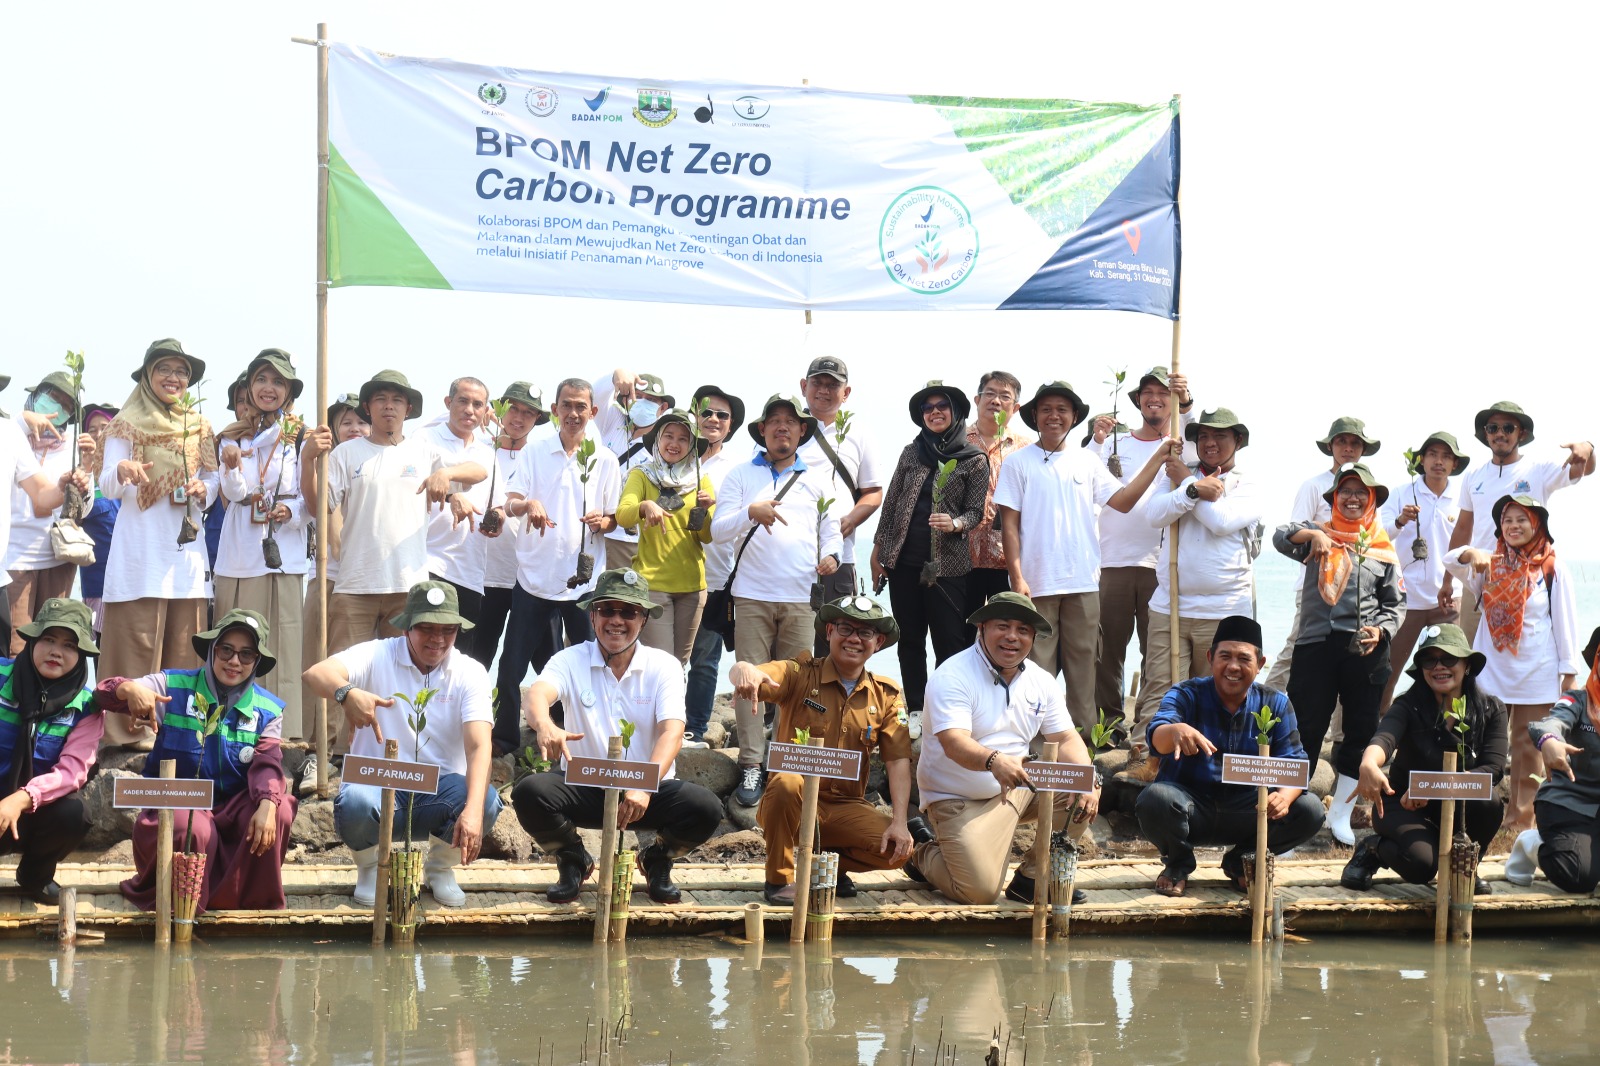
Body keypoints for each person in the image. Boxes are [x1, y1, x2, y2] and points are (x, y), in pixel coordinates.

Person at [511, 568, 722, 904]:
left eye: (629, 612)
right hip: (586, 784)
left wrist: (644, 784)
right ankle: (573, 857)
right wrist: (546, 725)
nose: (617, 620)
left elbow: (673, 731)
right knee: (530, 793)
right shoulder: (569, 659)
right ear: (593, 616)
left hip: (647, 792)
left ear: (644, 620)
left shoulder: (664, 665)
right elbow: (536, 696)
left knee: (706, 808)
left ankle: (658, 858)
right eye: (607, 610)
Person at [305, 581, 500, 908]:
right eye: (426, 628)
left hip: (439, 790)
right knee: (353, 802)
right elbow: (315, 674)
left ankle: (440, 868)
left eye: (447, 630)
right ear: (407, 625)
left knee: (486, 800)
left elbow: (479, 747)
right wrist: (347, 693)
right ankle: (369, 868)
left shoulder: (470, 672)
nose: (437, 640)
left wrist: (475, 812)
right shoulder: (378, 653)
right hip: (377, 784)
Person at [994, 380, 1172, 727]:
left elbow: (1123, 501)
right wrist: (1017, 577)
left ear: (1074, 416)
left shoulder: (1086, 461)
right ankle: (1036, 747)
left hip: (1084, 583)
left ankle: (1083, 751)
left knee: (1084, 668)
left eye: (1062, 409)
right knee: (1036, 670)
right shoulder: (1018, 463)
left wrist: (1157, 460)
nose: (1054, 416)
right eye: (1046, 409)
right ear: (1034, 415)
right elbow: (1009, 526)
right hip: (1037, 584)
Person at [905, 592, 1102, 905]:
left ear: (1033, 637)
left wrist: (1089, 778)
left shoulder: (1042, 680)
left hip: (1019, 789)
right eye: (1003, 626)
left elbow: (1065, 738)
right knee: (979, 891)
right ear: (981, 628)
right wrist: (993, 760)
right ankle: (922, 851)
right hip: (957, 799)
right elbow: (953, 742)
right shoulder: (952, 675)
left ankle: (1030, 878)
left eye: (1023, 630)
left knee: (1081, 793)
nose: (1013, 637)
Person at [107, 609, 298, 913]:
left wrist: (269, 803)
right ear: (212, 649)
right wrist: (128, 689)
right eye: (226, 650)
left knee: (281, 809)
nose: (234, 661)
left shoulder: (269, 710)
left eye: (246, 655)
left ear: (257, 662)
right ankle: (181, 907)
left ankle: (249, 902)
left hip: (231, 811)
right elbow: (105, 695)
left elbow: (268, 763)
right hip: (177, 804)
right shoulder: (172, 687)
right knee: (193, 827)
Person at [728, 594, 913, 904]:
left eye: (865, 633)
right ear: (829, 633)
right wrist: (743, 670)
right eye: (845, 628)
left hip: (843, 807)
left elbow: (897, 761)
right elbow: (753, 674)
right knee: (787, 782)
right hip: (791, 803)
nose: (854, 639)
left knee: (897, 852)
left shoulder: (886, 695)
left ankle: (827, 866)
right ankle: (778, 879)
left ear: (878, 642)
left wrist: (900, 821)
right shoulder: (799, 674)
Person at [711, 395, 842, 807]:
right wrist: (751, 512)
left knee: (800, 687)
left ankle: (787, 764)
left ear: (803, 430)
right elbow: (717, 531)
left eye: (791, 421)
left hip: (801, 598)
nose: (782, 427)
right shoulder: (739, 475)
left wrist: (832, 556)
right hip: (750, 596)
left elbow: (833, 529)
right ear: (762, 430)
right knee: (750, 684)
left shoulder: (820, 480)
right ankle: (752, 763)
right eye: (774, 421)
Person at [1135, 615, 1324, 897]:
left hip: (1249, 811)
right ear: (1211, 658)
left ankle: (1241, 861)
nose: (1233, 667)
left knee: (1310, 809)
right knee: (1155, 799)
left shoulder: (1276, 703)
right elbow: (1156, 736)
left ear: (1260, 665)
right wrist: (1175, 731)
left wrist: (1284, 797)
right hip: (1191, 807)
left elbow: (1296, 766)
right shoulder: (1186, 693)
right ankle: (1178, 863)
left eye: (1244, 659)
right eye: (1225, 656)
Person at [1274, 463, 1405, 844]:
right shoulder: (1318, 539)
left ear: (1371, 502)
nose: (1352, 499)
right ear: (1333, 499)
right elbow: (1280, 537)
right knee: (1304, 729)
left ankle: (1340, 816)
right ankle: (1291, 818)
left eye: (1361, 494)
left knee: (1360, 730)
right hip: (1315, 645)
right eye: (1345, 492)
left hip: (1364, 651)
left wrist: (1380, 630)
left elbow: (1395, 605)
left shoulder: (1382, 550)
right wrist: (1312, 532)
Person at [98, 339, 219, 747]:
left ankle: (177, 737)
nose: (174, 377)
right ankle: (125, 736)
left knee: (185, 652)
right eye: (164, 369)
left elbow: (215, 483)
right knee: (134, 642)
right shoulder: (125, 423)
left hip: (185, 554)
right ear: (148, 375)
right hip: (140, 550)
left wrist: (206, 487)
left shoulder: (199, 425)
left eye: (181, 371)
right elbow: (107, 485)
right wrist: (124, 470)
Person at [1130, 408, 1264, 755]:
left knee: (1220, 689)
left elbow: (1221, 521)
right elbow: (1153, 515)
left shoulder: (1249, 482)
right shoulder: (1178, 475)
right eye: (1203, 436)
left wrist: (1188, 486)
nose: (1210, 442)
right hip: (1169, 602)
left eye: (1220, 436)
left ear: (1238, 441)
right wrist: (1191, 490)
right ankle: (1148, 758)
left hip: (1225, 608)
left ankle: (1213, 757)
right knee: (1161, 686)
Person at [323, 370, 486, 653]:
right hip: (354, 585)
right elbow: (319, 505)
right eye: (381, 399)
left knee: (402, 677)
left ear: (408, 409)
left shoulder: (423, 452)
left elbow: (479, 471)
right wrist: (309, 457)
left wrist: (445, 474)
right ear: (367, 407)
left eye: (397, 400)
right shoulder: (346, 453)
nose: (389, 405)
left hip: (406, 586)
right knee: (346, 676)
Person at [1445, 495, 1579, 831]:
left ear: (1537, 524)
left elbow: (1565, 624)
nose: (1514, 526)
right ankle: (1472, 816)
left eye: (1522, 519)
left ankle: (1521, 821)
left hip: (1538, 672)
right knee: (1477, 743)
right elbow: (1449, 562)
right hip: (1492, 672)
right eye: (1507, 520)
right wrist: (1470, 552)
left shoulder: (1552, 567)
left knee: (1529, 749)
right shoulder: (1488, 565)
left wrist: (1570, 674)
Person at [499, 378, 622, 735]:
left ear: (593, 412)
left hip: (584, 584)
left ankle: (588, 736)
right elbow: (510, 503)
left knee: (591, 665)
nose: (573, 413)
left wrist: (605, 521)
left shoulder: (606, 460)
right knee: (511, 666)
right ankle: (505, 737)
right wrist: (528, 504)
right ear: (555, 411)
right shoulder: (534, 452)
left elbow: (615, 519)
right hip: (533, 578)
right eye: (566, 405)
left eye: (581, 407)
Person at [1342, 624, 1505, 893]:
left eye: (1449, 658)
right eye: (1430, 659)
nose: (1439, 666)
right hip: (1403, 804)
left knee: (1490, 801)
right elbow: (1384, 738)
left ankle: (1465, 865)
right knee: (1422, 866)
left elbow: (1494, 769)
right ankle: (1373, 849)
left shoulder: (1491, 709)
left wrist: (1433, 788)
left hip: (1457, 803)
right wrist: (1369, 764)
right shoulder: (1408, 705)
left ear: (1466, 665)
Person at [870, 381, 988, 737]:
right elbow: (891, 503)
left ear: (956, 412)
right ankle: (917, 709)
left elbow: (975, 513)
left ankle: (948, 709)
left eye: (942, 406)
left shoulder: (973, 459)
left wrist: (954, 523)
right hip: (904, 562)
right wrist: (878, 552)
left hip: (948, 567)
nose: (935, 412)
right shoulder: (911, 452)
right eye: (927, 408)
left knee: (951, 642)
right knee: (909, 639)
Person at [1089, 365, 1195, 725]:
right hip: (1112, 562)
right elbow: (1085, 477)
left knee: (1158, 654)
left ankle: (1149, 725)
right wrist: (1098, 439)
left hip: (1162, 565)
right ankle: (1109, 724)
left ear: (1174, 401)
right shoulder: (1117, 441)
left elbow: (1205, 451)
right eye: (1148, 393)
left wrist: (1189, 400)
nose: (1155, 399)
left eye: (1164, 393)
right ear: (1137, 400)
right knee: (1107, 653)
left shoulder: (1182, 444)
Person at [213, 349, 309, 738]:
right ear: (248, 388)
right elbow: (233, 494)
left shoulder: (300, 435)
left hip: (284, 555)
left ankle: (284, 737)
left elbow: (311, 496)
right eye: (261, 381)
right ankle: (226, 732)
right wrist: (233, 465)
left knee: (283, 649)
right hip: (239, 556)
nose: (268, 389)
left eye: (278, 382)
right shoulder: (232, 436)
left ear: (288, 391)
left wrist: (294, 512)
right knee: (236, 647)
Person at [1449, 402, 1593, 644]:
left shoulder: (1538, 471)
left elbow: (1582, 470)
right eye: (1493, 428)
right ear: (1486, 434)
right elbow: (1463, 528)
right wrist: (1447, 581)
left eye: (1508, 427)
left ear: (1521, 433)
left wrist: (1588, 448)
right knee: (1469, 660)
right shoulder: (1473, 477)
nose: (1500, 434)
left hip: (1528, 579)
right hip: (1480, 578)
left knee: (1522, 657)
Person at [1263, 417, 1381, 692]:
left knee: (1351, 656)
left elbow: (1376, 539)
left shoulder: (1370, 490)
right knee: (1295, 651)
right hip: (1315, 589)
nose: (1348, 448)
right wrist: (1321, 535)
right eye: (1342, 441)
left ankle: (1340, 734)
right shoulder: (1314, 486)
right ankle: (1262, 708)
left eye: (1354, 443)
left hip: (1357, 591)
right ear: (1331, 446)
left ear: (1363, 448)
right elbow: (1294, 531)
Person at [0, 599, 102, 904]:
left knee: (74, 813)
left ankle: (35, 874)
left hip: (33, 810)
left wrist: (22, 798)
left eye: (69, 645)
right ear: (32, 641)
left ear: (82, 654)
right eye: (48, 639)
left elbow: (72, 771)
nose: (56, 651)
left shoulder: (88, 706)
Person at [296, 392, 370, 769]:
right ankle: (318, 750)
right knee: (320, 658)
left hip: (365, 583)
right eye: (346, 423)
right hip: (328, 575)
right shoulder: (325, 463)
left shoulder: (378, 462)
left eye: (362, 421)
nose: (355, 429)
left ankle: (350, 751)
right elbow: (313, 507)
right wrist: (309, 457)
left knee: (357, 668)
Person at [475, 383, 546, 753]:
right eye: (512, 409)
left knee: (542, 662)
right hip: (482, 574)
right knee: (476, 660)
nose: (519, 418)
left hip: (528, 578)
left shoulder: (540, 456)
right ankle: (478, 733)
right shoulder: (477, 447)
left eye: (529, 413)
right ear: (498, 409)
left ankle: (556, 731)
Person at [796, 355, 884, 650]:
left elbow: (873, 492)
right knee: (790, 643)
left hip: (839, 556)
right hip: (789, 556)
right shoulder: (789, 428)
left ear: (846, 393)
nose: (823, 390)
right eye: (817, 383)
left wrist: (851, 520)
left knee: (833, 640)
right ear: (803, 386)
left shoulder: (859, 434)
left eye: (832, 385)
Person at [615, 409, 715, 665]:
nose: (674, 443)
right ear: (657, 440)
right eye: (668, 436)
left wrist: (705, 512)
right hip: (653, 586)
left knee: (679, 666)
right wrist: (644, 506)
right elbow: (623, 515)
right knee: (658, 664)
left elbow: (707, 537)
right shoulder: (642, 474)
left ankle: (672, 708)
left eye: (683, 439)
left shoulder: (701, 481)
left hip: (693, 588)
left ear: (692, 446)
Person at [1379, 430, 1469, 710]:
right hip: (1407, 599)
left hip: (1450, 598)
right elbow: (1379, 535)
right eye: (1433, 454)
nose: (1439, 461)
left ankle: (1448, 734)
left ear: (1454, 464)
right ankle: (1379, 729)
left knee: (1450, 673)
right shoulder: (1401, 493)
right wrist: (1401, 520)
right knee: (1388, 670)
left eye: (1446, 456)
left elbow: (1470, 544)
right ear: (1421, 460)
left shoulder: (1462, 497)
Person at [6, 372, 96, 652]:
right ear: (34, 396)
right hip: (13, 557)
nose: (56, 407)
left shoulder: (73, 448)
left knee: (49, 643)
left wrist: (87, 469)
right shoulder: (11, 435)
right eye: (51, 397)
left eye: (66, 405)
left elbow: (82, 510)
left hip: (57, 558)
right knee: (14, 645)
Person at [682, 384, 746, 747]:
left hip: (718, 576)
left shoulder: (738, 468)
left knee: (705, 659)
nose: (713, 420)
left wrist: (717, 502)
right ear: (695, 416)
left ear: (730, 424)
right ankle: (663, 723)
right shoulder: (673, 453)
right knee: (667, 658)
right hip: (672, 575)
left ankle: (695, 726)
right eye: (706, 412)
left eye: (722, 415)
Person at [1519, 628, 1600, 892]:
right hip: (1568, 804)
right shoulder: (1577, 700)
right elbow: (1551, 722)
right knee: (1578, 876)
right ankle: (1532, 844)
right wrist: (1549, 741)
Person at [422, 377, 498, 659]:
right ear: (448, 403)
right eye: (462, 401)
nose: (470, 410)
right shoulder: (425, 439)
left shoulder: (488, 452)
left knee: (458, 659)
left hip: (470, 572)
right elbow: (419, 484)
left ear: (486, 410)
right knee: (422, 653)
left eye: (478, 404)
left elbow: (498, 504)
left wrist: (498, 519)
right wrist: (454, 496)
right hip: (429, 563)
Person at [964, 370, 1030, 615]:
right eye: (989, 394)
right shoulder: (956, 442)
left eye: (1005, 396)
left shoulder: (1027, 449)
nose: (996, 401)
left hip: (1008, 561)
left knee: (1003, 630)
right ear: (977, 400)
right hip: (961, 558)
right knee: (960, 635)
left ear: (1016, 407)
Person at [593, 369, 672, 572]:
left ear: (662, 407)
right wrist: (615, 376)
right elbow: (594, 396)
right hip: (597, 528)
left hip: (629, 538)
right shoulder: (613, 420)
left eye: (651, 399)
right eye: (638, 396)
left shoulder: (665, 442)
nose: (643, 401)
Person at [78, 403, 121, 641]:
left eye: (104, 427)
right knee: (101, 652)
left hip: (128, 581)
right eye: (91, 429)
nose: (97, 434)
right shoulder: (80, 474)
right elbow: (75, 515)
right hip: (97, 584)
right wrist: (87, 467)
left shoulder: (126, 471)